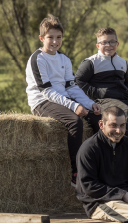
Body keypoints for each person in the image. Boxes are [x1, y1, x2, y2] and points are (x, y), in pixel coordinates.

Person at [25, 14, 101, 187]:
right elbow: (47, 91)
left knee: (98, 120)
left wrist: (90, 103)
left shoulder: (64, 59)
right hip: (42, 101)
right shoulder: (37, 59)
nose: (54, 41)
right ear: (41, 38)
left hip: (62, 99)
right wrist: (74, 106)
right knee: (75, 122)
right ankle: (76, 173)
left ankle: (98, 166)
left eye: (58, 37)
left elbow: (72, 87)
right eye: (50, 37)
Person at [75, 27, 128, 153]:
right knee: (126, 113)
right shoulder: (90, 63)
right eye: (104, 42)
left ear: (117, 44)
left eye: (112, 42)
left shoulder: (122, 62)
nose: (108, 45)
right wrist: (99, 92)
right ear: (97, 45)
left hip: (121, 99)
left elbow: (127, 80)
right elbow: (78, 82)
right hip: (102, 100)